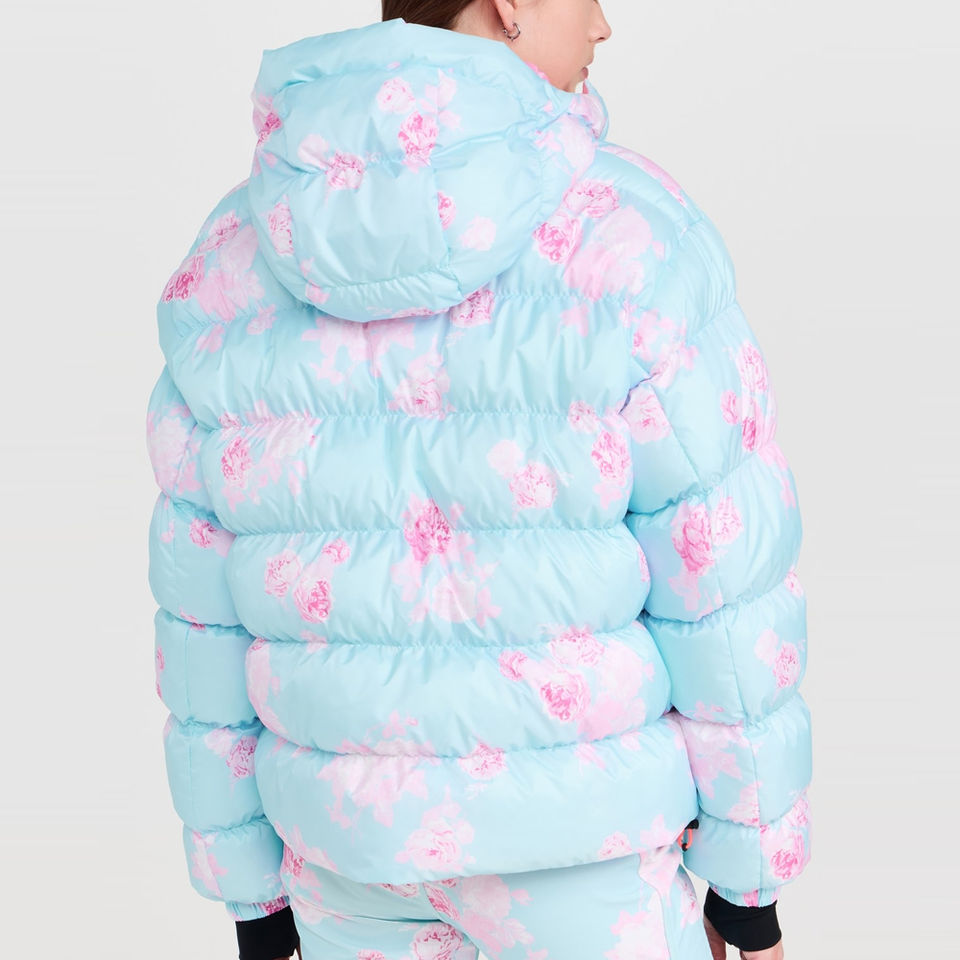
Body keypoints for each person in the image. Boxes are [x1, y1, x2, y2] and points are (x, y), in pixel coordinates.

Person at [146, 2, 812, 958]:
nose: (603, 25)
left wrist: (248, 892)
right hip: (582, 851)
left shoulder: (232, 260)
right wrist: (748, 886)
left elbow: (199, 613)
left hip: (345, 851)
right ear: (507, 4)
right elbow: (722, 580)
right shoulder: (628, 235)